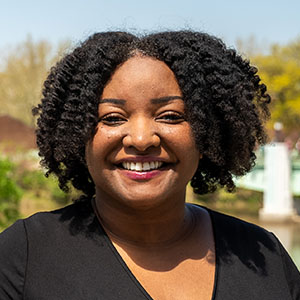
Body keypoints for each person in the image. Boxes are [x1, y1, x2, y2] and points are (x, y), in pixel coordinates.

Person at [0, 31, 299, 300]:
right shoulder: (24, 255)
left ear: (209, 131)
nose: (141, 139)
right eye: (112, 118)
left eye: (170, 116)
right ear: (77, 135)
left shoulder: (264, 254)